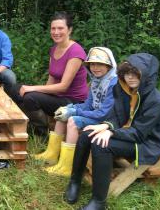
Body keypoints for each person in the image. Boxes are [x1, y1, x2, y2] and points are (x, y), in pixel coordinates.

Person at [64, 53, 160, 210]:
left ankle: (99, 202)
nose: (130, 78)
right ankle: (75, 181)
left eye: (135, 74)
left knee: (101, 144)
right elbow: (117, 115)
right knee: (87, 134)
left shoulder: (156, 101)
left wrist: (112, 133)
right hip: (127, 133)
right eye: (127, 73)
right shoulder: (125, 89)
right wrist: (105, 126)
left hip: (146, 143)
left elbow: (139, 133)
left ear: (147, 76)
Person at [34, 47, 118, 176]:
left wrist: (75, 113)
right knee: (62, 116)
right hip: (96, 115)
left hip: (107, 121)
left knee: (73, 120)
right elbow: (88, 105)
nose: (96, 68)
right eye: (93, 64)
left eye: (100, 64)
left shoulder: (113, 84)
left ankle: (66, 166)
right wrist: (70, 108)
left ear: (109, 66)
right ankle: (51, 154)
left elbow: (103, 113)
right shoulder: (96, 81)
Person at [16, 12, 88, 135]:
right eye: (53, 28)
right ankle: (25, 124)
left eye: (60, 28)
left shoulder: (75, 51)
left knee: (30, 96)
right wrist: (39, 93)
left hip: (73, 102)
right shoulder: (54, 49)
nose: (56, 32)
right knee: (15, 89)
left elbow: (63, 86)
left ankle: (42, 133)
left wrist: (32, 89)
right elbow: (52, 79)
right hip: (58, 97)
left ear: (69, 30)